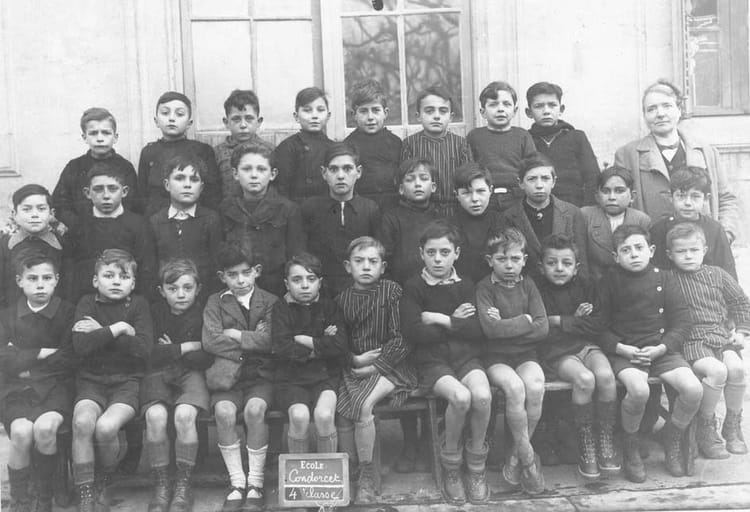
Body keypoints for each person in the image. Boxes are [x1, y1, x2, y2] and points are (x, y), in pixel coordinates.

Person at [594, 224, 702, 482]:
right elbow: (597, 326)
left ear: (651, 250)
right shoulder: (608, 281)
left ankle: (672, 436)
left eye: (639, 247)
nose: (634, 254)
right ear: (616, 256)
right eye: (626, 250)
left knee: (693, 389)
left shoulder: (664, 278)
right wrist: (621, 348)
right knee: (639, 390)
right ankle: (630, 444)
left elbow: (682, 322)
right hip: (626, 352)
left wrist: (662, 347)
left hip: (661, 349)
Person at [400, 220, 491, 505]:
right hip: (431, 361)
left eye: (444, 252)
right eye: (431, 253)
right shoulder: (413, 287)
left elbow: (477, 330)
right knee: (461, 397)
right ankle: (451, 463)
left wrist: (440, 318)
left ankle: (476, 467)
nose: (438, 259)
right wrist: (456, 322)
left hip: (466, 357)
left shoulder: (467, 285)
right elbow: (414, 332)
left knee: (483, 396)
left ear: (457, 253)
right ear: (421, 254)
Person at [70, 249, 153, 512]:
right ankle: (85, 493)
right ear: (96, 280)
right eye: (108, 275)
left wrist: (101, 333)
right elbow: (81, 346)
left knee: (106, 428)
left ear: (133, 283)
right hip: (91, 381)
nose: (116, 281)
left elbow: (143, 349)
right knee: (82, 422)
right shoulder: (86, 303)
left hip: (127, 382)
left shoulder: (138, 305)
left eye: (124, 276)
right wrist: (118, 329)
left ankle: (105, 480)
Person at [335, 237, 416, 504]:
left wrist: (374, 366)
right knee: (342, 408)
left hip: (393, 365)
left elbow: (402, 338)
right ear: (348, 266)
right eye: (359, 261)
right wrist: (355, 360)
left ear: (383, 267)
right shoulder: (341, 300)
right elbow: (338, 342)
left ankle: (367, 473)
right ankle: (349, 468)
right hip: (356, 366)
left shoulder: (392, 292)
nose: (366, 267)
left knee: (363, 404)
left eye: (373, 261)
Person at [614, 79, 740, 243]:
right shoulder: (627, 155)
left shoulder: (706, 152)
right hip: (654, 245)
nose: (660, 114)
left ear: (679, 110)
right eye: (651, 109)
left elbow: (726, 198)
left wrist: (724, 234)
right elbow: (622, 207)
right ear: (644, 116)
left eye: (667, 106)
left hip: (702, 246)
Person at [202, 242, 278, 512]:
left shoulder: (270, 301)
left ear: (257, 271)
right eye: (232, 275)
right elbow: (210, 341)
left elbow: (272, 340)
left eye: (246, 273)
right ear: (222, 276)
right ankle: (237, 482)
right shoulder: (215, 302)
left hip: (260, 375)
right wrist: (252, 340)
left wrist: (235, 335)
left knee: (255, 410)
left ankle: (256, 483)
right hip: (227, 376)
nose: (241, 280)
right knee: (223, 412)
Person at [535, 234, 618, 478]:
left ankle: (605, 440)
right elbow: (541, 329)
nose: (559, 268)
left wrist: (560, 320)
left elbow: (599, 323)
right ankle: (586, 445)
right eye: (551, 263)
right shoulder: (536, 290)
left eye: (566, 263)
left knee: (606, 376)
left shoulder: (587, 285)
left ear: (576, 267)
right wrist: (576, 320)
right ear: (541, 266)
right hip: (557, 352)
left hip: (586, 345)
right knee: (585, 379)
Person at [0, 251, 77, 512]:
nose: (40, 285)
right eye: (32, 278)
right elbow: (2, 357)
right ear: (19, 281)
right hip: (17, 389)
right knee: (21, 432)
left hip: (56, 387)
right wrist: (41, 353)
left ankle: (45, 496)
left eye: (46, 278)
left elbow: (69, 356)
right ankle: (20, 501)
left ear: (56, 280)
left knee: (45, 429)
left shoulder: (68, 312)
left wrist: (22, 358)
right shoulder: (7, 316)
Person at [665, 223, 750, 458]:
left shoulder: (718, 274)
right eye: (681, 251)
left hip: (721, 336)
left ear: (704, 250)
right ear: (670, 255)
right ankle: (706, 426)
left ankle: (732, 425)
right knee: (717, 371)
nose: (688, 256)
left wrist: (741, 332)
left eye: (694, 250)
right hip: (692, 341)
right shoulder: (668, 279)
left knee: (737, 369)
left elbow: (741, 303)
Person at [475, 227, 547, 495]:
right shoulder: (484, 287)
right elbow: (490, 331)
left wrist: (506, 324)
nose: (509, 265)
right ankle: (528, 458)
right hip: (496, 357)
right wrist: (524, 321)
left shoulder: (529, 285)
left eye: (515, 259)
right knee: (515, 388)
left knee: (535, 386)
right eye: (501, 259)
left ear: (524, 260)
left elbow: (542, 327)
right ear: (489, 260)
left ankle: (516, 454)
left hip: (526, 355)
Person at [141, 259, 213, 512]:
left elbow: (207, 355)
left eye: (187, 288)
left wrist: (170, 349)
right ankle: (161, 484)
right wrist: (186, 346)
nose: (181, 294)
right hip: (158, 374)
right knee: (155, 416)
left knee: (184, 415)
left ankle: (184, 483)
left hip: (192, 374)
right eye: (172, 289)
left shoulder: (205, 312)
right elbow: (149, 353)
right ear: (161, 291)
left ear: (198, 288)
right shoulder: (153, 313)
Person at [271, 253, 348, 459]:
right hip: (290, 378)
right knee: (299, 416)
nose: (305, 285)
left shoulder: (330, 307)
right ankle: (300, 471)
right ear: (287, 284)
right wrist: (321, 343)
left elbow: (339, 345)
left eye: (311, 279)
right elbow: (281, 347)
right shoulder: (281, 308)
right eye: (297, 280)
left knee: (324, 415)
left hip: (325, 375)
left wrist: (302, 339)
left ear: (320, 283)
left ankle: (327, 470)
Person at [220, 142, 304, 297]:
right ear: (235, 173)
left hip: (276, 289)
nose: (254, 175)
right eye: (246, 169)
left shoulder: (288, 210)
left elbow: (295, 257)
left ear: (273, 174)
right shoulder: (224, 209)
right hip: (236, 288)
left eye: (261, 169)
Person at [68, 163, 156, 302]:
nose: (106, 196)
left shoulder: (139, 225)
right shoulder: (79, 225)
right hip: (89, 302)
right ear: (87, 193)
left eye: (113, 189)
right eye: (98, 189)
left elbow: (147, 270)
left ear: (124, 191)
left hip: (129, 303)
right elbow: (72, 271)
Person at [301, 143, 380, 296]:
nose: (341, 176)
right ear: (324, 173)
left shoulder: (370, 209)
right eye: (333, 169)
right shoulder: (310, 208)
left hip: (360, 289)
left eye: (347, 168)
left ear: (358, 172)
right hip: (321, 289)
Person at [501, 154, 588, 282]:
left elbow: (581, 260)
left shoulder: (572, 213)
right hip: (526, 286)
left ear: (554, 182)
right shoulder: (509, 216)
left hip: (565, 286)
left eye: (545, 178)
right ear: (520, 183)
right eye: (532, 179)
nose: (539, 185)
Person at [52, 107, 141, 231]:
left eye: (106, 133)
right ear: (84, 137)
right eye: (93, 133)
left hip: (117, 230)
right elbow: (60, 204)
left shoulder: (125, 167)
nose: (100, 138)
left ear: (115, 137)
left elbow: (134, 204)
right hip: (82, 231)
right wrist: (78, 225)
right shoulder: (74, 167)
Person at [149, 155, 223, 301]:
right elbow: (151, 266)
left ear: (201, 187)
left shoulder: (211, 219)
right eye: (180, 178)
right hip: (167, 297)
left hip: (203, 297)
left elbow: (216, 265)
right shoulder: (156, 221)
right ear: (167, 185)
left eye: (194, 180)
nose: (187, 185)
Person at [138, 91, 221, 216]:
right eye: (165, 113)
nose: (171, 118)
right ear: (156, 121)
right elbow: (142, 194)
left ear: (189, 123)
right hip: (156, 218)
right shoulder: (149, 152)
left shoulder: (202, 150)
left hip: (194, 217)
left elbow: (212, 194)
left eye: (179, 114)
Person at [650, 167, 736, 280]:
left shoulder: (715, 229)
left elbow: (728, 270)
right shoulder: (659, 230)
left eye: (695, 196)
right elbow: (655, 272)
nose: (688, 203)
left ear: (706, 199)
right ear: (671, 197)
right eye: (681, 196)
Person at [401, 86, 472, 217]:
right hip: (420, 210)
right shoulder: (409, 144)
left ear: (451, 117)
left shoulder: (461, 144)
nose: (437, 116)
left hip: (454, 210)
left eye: (443, 111)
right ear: (418, 116)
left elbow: (468, 180)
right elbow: (406, 180)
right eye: (429, 111)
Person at [525, 82, 599, 207]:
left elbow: (593, 177)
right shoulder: (525, 139)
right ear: (529, 112)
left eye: (552, 105)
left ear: (561, 109)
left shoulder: (576, 137)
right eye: (539, 106)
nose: (546, 111)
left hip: (575, 206)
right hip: (537, 206)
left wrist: (587, 209)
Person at [467, 81, 536, 212]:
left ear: (514, 110)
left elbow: (532, 168)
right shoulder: (474, 136)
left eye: (506, 104)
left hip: (517, 197)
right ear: (483, 112)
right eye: (493, 104)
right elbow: (469, 169)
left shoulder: (523, 136)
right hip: (485, 197)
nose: (500, 109)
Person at [0, 184, 69, 309]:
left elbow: (69, 286)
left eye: (41, 209)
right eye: (26, 209)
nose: (34, 215)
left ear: (51, 213)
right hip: (12, 313)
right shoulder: (5, 245)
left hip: (55, 313)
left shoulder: (62, 244)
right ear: (15, 214)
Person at [378, 158, 442, 287]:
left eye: (423, 178)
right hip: (400, 287)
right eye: (410, 179)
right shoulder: (391, 219)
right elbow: (382, 258)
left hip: (436, 286)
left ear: (433, 187)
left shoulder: (440, 218)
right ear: (401, 189)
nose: (417, 184)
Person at [581, 167, 651, 282]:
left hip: (631, 283)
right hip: (595, 283)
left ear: (632, 196)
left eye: (619, 191)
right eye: (605, 191)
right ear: (597, 196)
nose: (612, 197)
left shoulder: (641, 220)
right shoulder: (586, 216)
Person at [343, 79, 402, 208]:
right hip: (360, 207)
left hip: (391, 206)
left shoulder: (395, 143)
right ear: (354, 115)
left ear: (385, 113)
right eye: (363, 111)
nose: (370, 117)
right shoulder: (348, 146)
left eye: (375, 110)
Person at [274, 87, 335, 202]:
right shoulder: (287, 148)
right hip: (296, 209)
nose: (314, 115)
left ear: (328, 116)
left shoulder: (334, 148)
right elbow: (281, 189)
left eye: (320, 110)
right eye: (307, 110)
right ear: (296, 116)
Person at [449, 163, 505, 284]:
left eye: (480, 191)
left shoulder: (503, 222)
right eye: (466, 193)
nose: (474, 199)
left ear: (490, 190)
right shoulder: (449, 226)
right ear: (456, 195)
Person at [214, 89, 273, 200]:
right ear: (226, 122)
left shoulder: (270, 150)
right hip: (227, 208)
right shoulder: (217, 153)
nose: (243, 125)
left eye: (249, 119)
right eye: (236, 119)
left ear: (259, 121)